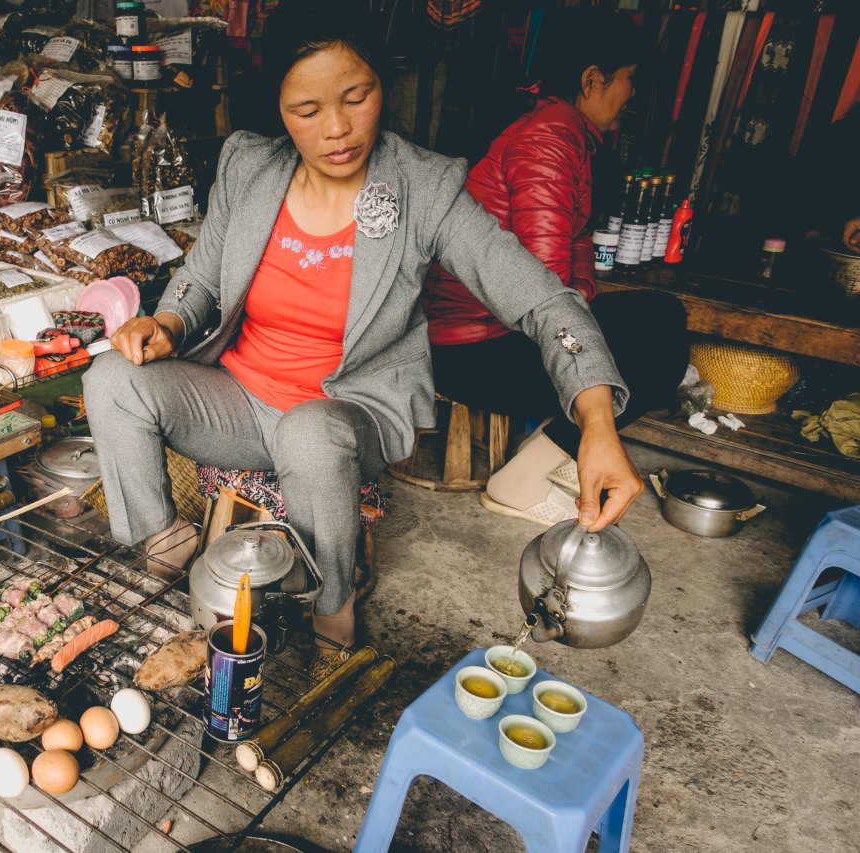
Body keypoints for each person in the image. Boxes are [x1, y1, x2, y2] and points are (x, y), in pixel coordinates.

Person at [83, 0, 639, 680]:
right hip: (237, 402)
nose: (338, 129)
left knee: (311, 433)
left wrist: (598, 419)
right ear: (279, 108)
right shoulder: (248, 168)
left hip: (347, 414)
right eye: (307, 110)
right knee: (111, 379)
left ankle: (334, 606)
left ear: (384, 82)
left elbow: (541, 296)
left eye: (357, 97)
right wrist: (166, 324)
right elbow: (199, 282)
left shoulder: (422, 187)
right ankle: (161, 553)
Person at [423, 8, 688, 526]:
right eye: (628, 80)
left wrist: (581, 293)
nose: (632, 94)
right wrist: (579, 303)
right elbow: (543, 281)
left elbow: (577, 241)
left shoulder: (566, 134)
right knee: (653, 352)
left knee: (659, 315)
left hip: (494, 326)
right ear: (593, 80)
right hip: (471, 345)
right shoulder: (549, 139)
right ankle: (518, 484)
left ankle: (556, 453)